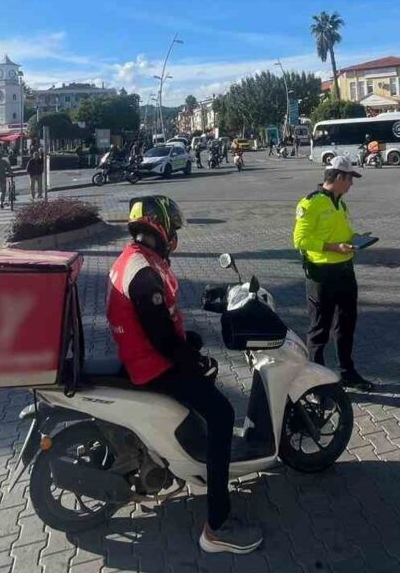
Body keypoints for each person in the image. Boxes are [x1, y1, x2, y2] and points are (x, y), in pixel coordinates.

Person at [107, 196, 262, 554]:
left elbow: (156, 325)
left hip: (144, 356)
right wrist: (191, 361)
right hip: (153, 366)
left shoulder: (135, 259)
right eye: (172, 228)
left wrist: (188, 345)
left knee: (204, 389)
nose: (174, 236)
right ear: (160, 227)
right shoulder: (143, 272)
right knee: (222, 414)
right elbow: (162, 339)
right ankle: (217, 527)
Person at [292, 155, 373, 392]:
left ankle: (347, 373)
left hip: (345, 272)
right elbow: (300, 240)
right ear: (338, 177)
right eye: (350, 178)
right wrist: (334, 248)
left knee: (346, 326)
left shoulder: (340, 203)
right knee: (319, 329)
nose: (352, 183)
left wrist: (355, 240)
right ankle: (316, 383)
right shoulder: (310, 203)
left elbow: (341, 233)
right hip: (322, 275)